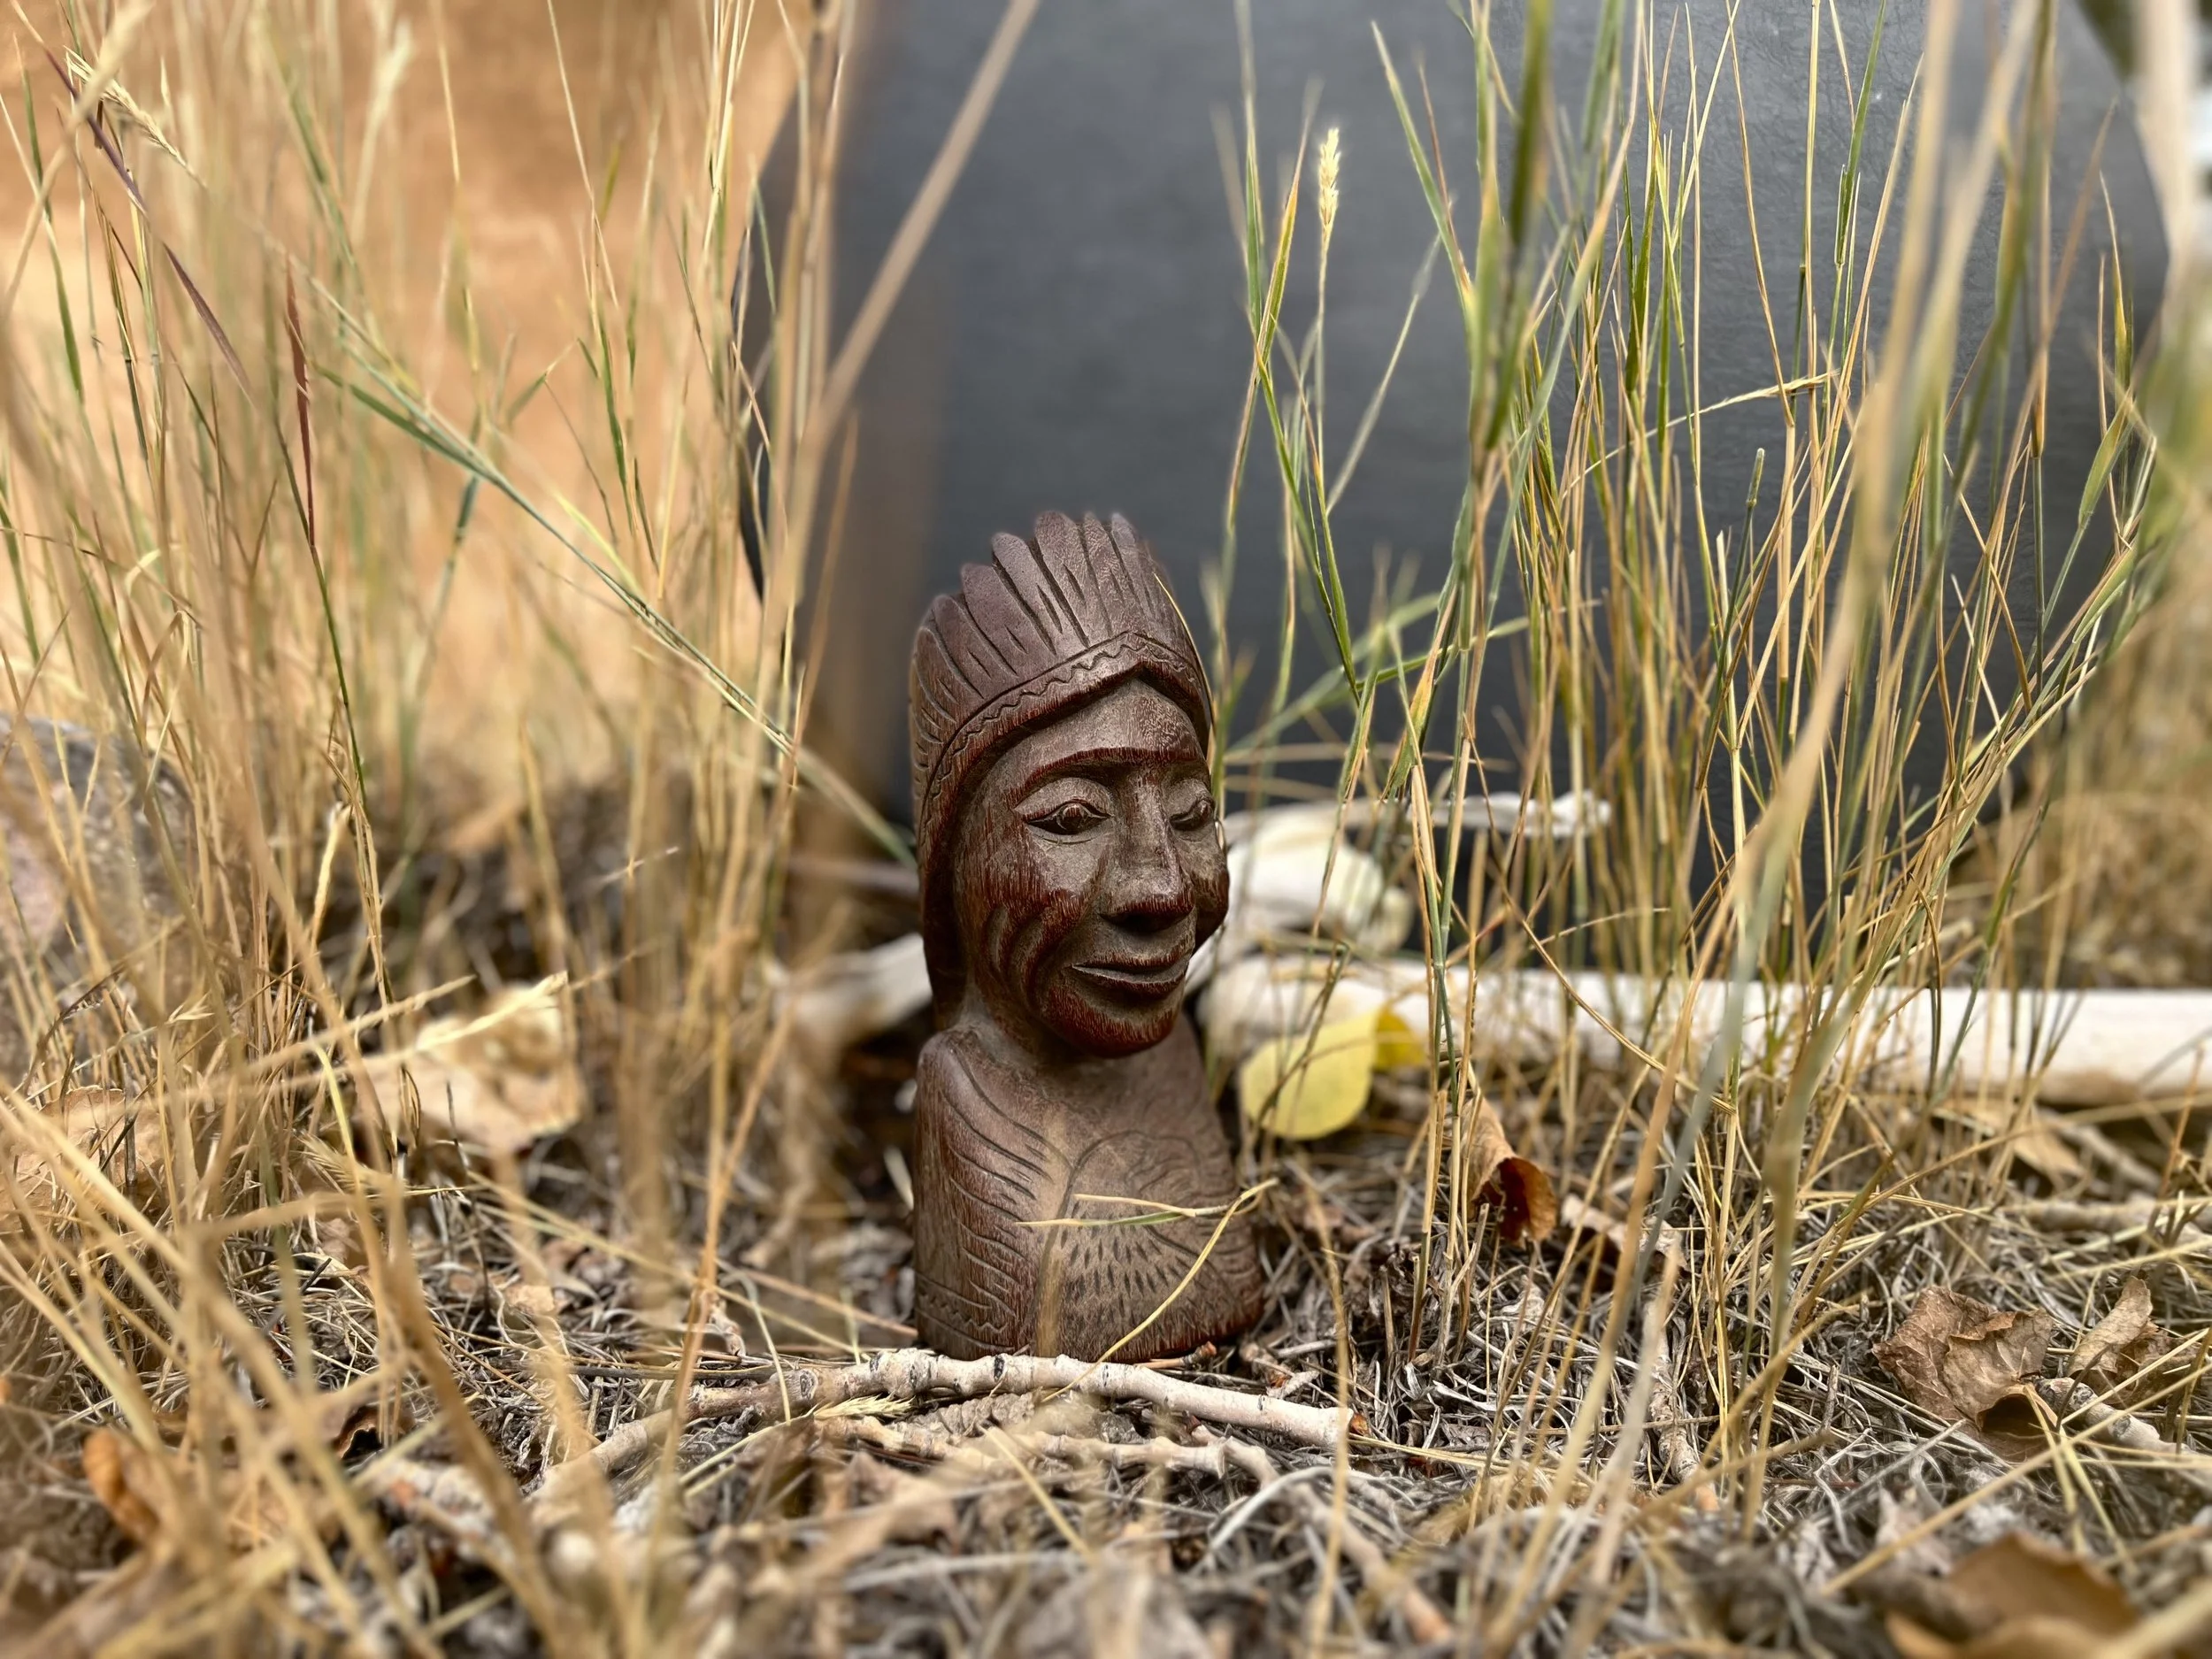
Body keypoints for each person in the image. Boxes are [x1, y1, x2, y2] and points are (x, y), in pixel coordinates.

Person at [907, 511, 1262, 1360]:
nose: (1162, 887)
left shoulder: (1174, 1056)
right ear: (957, 873)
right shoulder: (966, 1100)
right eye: (1071, 817)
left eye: (1192, 813)